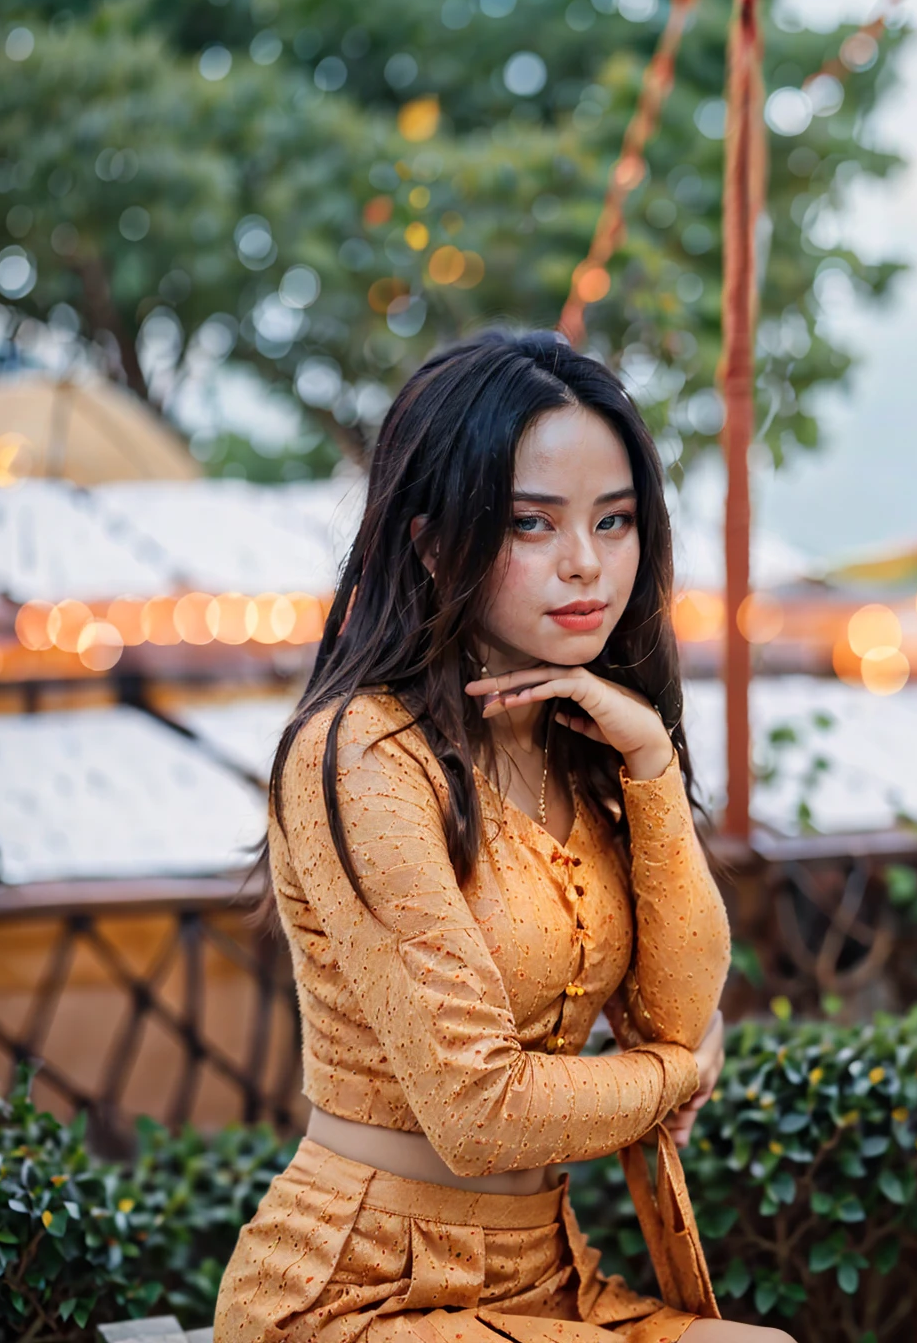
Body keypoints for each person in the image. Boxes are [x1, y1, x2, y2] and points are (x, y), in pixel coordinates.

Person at [217, 331, 793, 1343]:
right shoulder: (359, 755)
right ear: (433, 540)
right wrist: (679, 1078)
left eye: (616, 523)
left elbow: (674, 1008)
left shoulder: (587, 742)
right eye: (534, 525)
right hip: (361, 1292)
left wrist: (654, 771)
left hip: (549, 1274)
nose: (587, 564)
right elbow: (481, 1111)